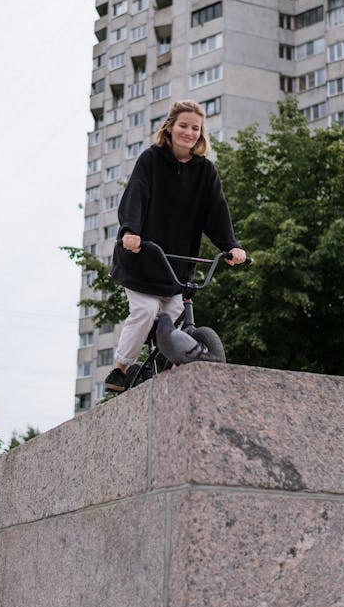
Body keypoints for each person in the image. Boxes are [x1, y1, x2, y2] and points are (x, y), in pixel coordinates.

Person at [104, 99, 245, 392]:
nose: (189, 132)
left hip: (176, 267)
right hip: (142, 259)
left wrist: (230, 245)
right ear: (169, 128)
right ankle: (120, 368)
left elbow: (216, 212)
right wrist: (130, 230)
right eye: (183, 125)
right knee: (143, 310)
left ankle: (172, 373)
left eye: (196, 128)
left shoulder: (205, 172)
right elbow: (136, 195)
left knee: (177, 318)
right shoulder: (151, 160)